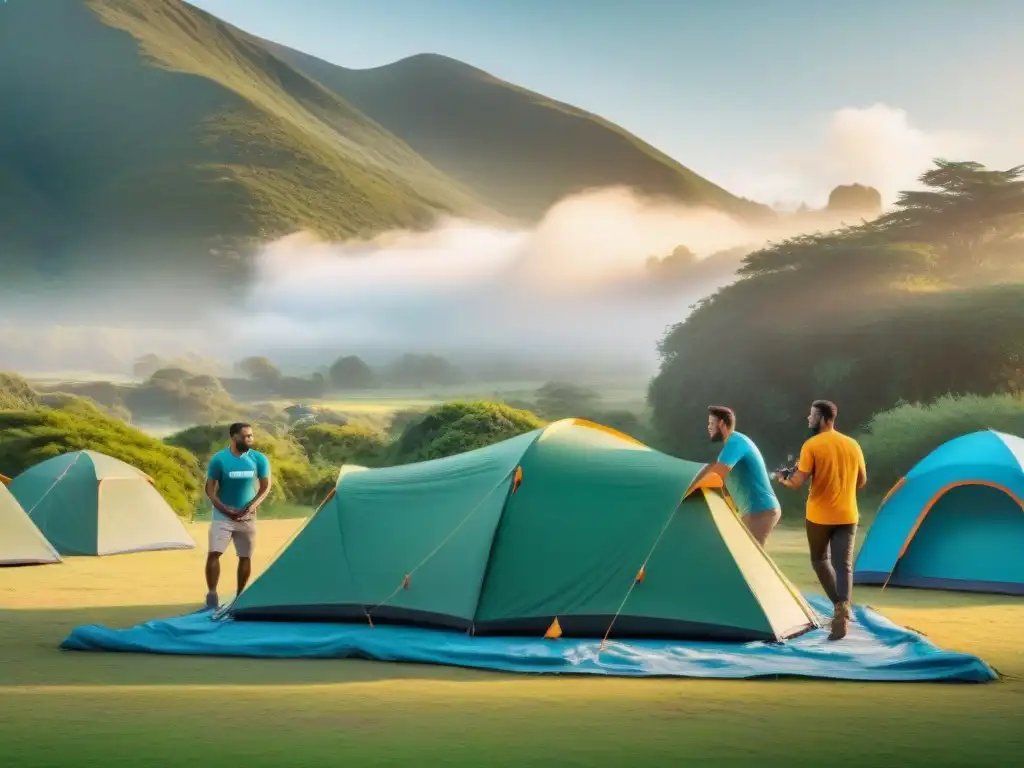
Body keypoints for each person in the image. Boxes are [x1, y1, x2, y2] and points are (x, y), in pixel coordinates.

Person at [775, 399, 866, 641]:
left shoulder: (812, 445)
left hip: (819, 516)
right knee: (843, 565)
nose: (808, 418)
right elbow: (862, 480)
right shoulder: (853, 444)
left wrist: (783, 479)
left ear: (823, 419)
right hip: (848, 514)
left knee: (820, 560)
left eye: (812, 415)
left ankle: (838, 606)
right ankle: (843, 608)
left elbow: (797, 482)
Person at [693, 405, 782, 547]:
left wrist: (688, 491)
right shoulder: (732, 445)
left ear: (722, 423)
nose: (709, 427)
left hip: (761, 509)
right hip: (754, 511)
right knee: (741, 554)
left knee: (747, 556)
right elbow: (723, 484)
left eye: (711, 423)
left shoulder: (735, 443)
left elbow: (716, 475)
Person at [204, 422, 271, 609]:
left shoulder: (259, 459)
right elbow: (210, 490)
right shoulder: (219, 460)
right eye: (246, 436)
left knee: (245, 556)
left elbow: (265, 487)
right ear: (234, 437)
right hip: (223, 516)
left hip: (247, 517)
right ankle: (212, 595)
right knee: (214, 553)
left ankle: (239, 597)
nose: (250, 439)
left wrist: (250, 507)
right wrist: (225, 510)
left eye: (251, 435)